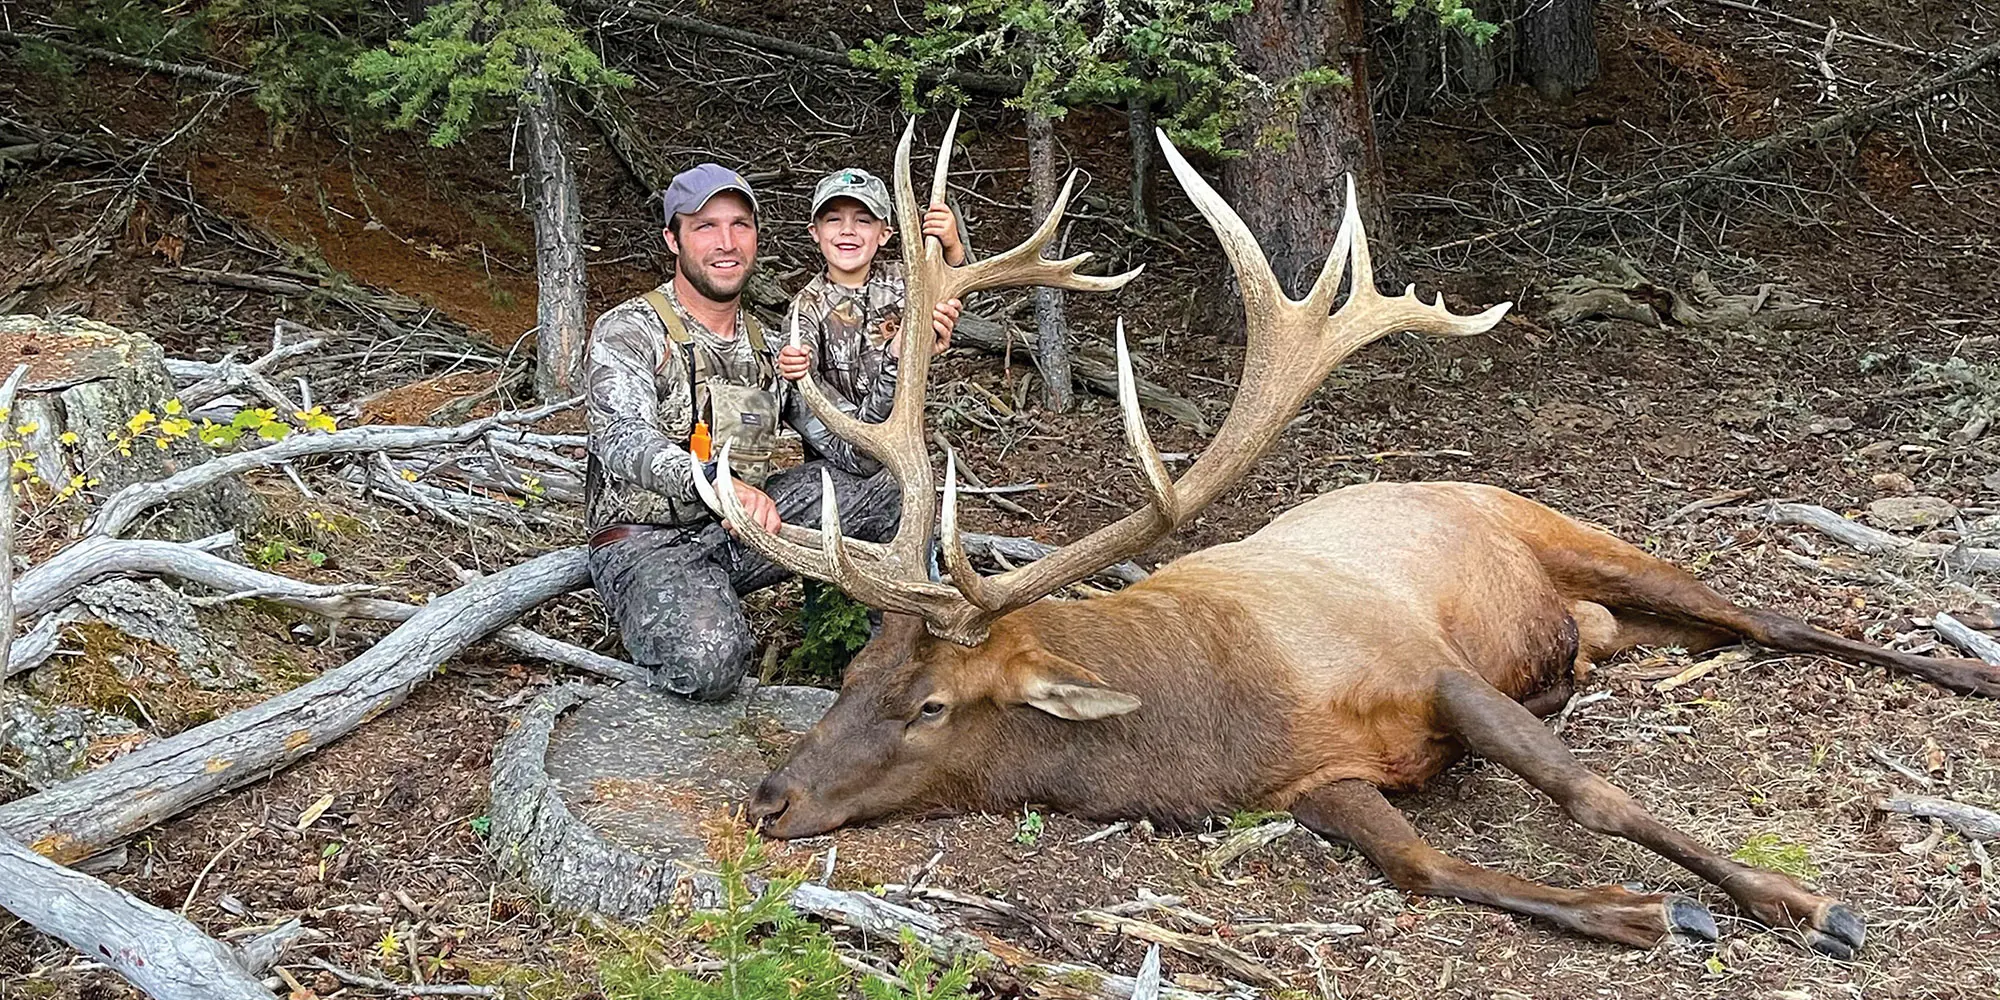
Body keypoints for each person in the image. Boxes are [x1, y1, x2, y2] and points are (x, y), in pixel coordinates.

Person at [582, 163, 959, 700]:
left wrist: (900, 360)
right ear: (673, 239)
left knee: (891, 488)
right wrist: (716, 483)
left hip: (742, 535)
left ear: (757, 237)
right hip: (647, 545)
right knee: (711, 660)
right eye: (705, 226)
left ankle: (896, 672)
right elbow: (621, 439)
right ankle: (685, 618)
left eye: (740, 225)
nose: (726, 242)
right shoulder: (630, 330)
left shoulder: (770, 349)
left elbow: (856, 455)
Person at [775, 168, 966, 440]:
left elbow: (952, 293)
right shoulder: (807, 305)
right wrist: (794, 361)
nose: (847, 231)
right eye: (833, 219)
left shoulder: (907, 280)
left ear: (885, 233)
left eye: (863, 221)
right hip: (838, 450)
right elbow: (801, 352)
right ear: (814, 232)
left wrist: (952, 247)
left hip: (904, 443)